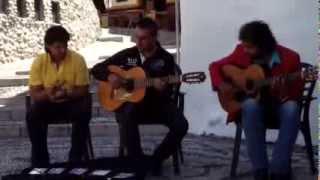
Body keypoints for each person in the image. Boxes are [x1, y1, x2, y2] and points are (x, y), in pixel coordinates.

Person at [91, 17, 189, 174]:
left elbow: (168, 92)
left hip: (158, 106)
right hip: (133, 107)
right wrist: (110, 76)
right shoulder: (129, 54)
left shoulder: (165, 59)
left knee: (181, 125)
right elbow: (96, 69)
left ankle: (156, 160)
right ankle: (136, 161)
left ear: (154, 37)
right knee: (128, 112)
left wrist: (161, 88)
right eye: (136, 37)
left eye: (143, 38)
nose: (138, 42)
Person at [209, 21, 304, 180]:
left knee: (292, 107)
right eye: (244, 46)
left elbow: (296, 93)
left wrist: (282, 89)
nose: (245, 50)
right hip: (252, 110)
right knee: (251, 105)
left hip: (278, 107)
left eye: (250, 47)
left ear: (264, 44)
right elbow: (215, 66)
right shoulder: (241, 52)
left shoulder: (291, 58)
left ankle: (279, 170)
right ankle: (260, 170)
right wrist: (221, 84)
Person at [27, 26, 91, 167]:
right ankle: (41, 161)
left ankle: (75, 159)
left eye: (65, 46)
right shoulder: (39, 62)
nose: (63, 50)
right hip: (48, 104)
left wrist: (67, 93)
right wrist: (49, 94)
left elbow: (83, 89)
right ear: (47, 46)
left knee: (84, 111)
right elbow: (35, 94)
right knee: (32, 114)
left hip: (72, 102)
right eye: (58, 47)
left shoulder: (78, 60)